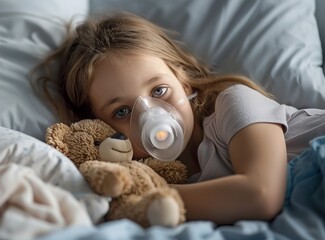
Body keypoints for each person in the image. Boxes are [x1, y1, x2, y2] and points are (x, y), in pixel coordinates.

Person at [31, 12, 325, 225]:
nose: (150, 114)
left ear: (184, 82)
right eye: (121, 111)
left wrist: (136, 198)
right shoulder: (154, 174)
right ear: (102, 126)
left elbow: (261, 196)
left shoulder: (233, 104)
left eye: (159, 90)